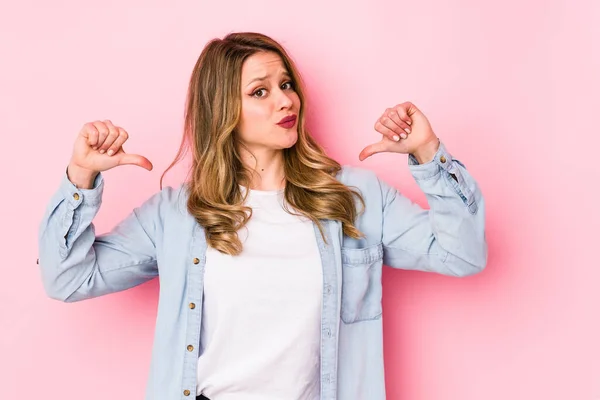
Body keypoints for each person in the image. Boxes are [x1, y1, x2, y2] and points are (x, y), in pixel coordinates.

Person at [37, 32, 487, 400]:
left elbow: (462, 255)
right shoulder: (178, 214)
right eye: (260, 91)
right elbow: (68, 279)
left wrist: (429, 154)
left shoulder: (354, 196)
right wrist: (81, 178)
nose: (285, 101)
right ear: (223, 112)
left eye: (286, 84)